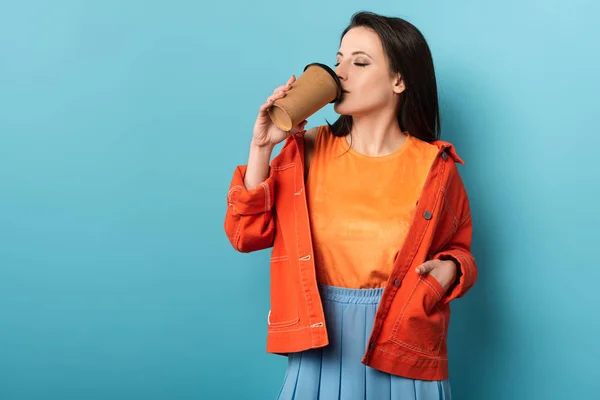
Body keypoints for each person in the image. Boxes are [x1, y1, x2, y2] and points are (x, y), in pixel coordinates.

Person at [224, 10, 477, 400]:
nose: (341, 73)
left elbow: (459, 250)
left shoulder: (436, 167)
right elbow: (245, 234)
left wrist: (450, 270)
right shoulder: (305, 150)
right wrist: (262, 147)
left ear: (399, 80)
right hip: (319, 340)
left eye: (360, 63)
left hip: (404, 342)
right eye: (339, 59)